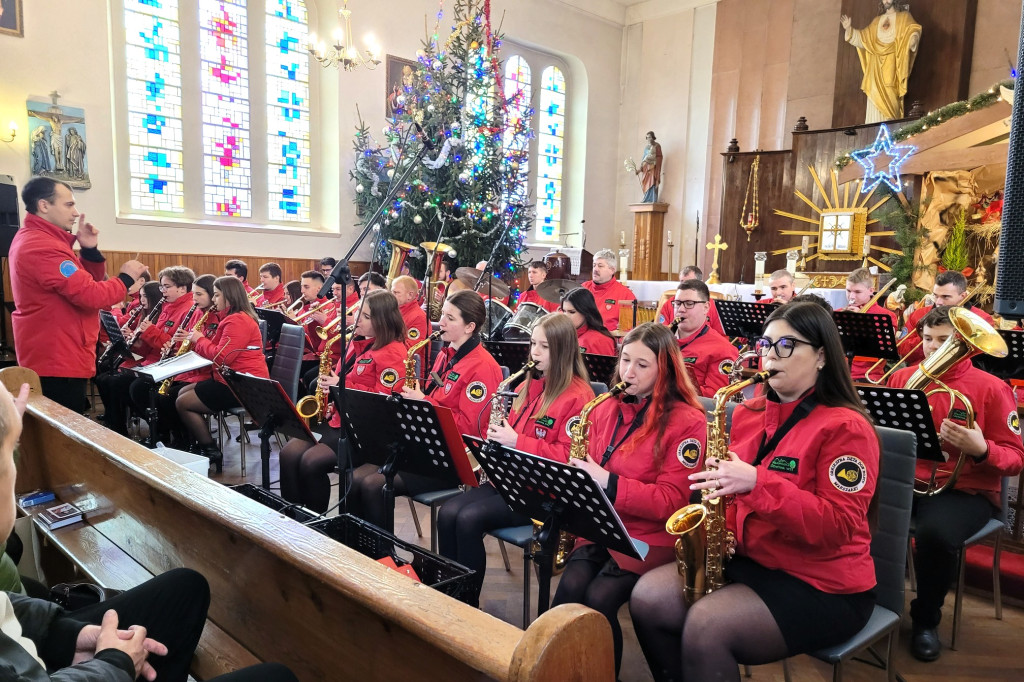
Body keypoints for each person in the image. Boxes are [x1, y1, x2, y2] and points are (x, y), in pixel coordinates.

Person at [630, 302, 879, 682]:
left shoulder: (847, 427)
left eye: (786, 345)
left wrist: (757, 483)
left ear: (823, 356)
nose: (769, 354)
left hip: (822, 583)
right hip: (753, 560)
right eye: (766, 343)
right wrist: (724, 527)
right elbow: (730, 496)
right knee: (648, 598)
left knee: (707, 626)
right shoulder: (747, 413)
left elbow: (839, 527)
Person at [0, 381, 298, 682]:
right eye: (10, 455)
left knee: (186, 587)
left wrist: (66, 636)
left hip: (26, 651)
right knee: (276, 677)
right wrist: (114, 663)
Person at [551, 322, 706, 675]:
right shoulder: (606, 407)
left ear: (664, 369)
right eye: (624, 360)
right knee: (570, 589)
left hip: (652, 538)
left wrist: (608, 481)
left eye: (641, 365)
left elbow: (672, 502)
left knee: (599, 599)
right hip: (604, 526)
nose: (628, 372)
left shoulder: (688, 422)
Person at [887, 307, 1024, 662]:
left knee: (935, 536)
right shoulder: (902, 378)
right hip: (907, 480)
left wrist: (981, 449)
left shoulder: (992, 389)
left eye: (945, 340)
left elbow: (1015, 457)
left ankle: (925, 620)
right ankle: (871, 603)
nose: (933, 348)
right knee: (856, 513)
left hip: (966, 489)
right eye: (928, 339)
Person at [436, 314, 595, 606]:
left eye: (544, 347)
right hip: (510, 481)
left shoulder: (578, 397)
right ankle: (449, 594)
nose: (534, 352)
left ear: (563, 350)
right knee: (447, 514)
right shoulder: (526, 386)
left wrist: (516, 441)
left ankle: (466, 605)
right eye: (533, 344)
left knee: (468, 519)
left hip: (543, 492)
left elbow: (570, 457)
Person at [343, 291, 503, 529]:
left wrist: (426, 404)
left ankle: (381, 555)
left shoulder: (483, 366)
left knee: (373, 485)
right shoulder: (447, 353)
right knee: (354, 479)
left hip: (451, 457)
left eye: (450, 318)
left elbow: (470, 428)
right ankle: (355, 548)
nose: (441, 323)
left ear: (470, 326)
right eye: (442, 315)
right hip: (426, 444)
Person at [9, 177, 148, 411]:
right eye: (69, 205)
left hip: (61, 350)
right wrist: (126, 278)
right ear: (44, 205)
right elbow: (91, 295)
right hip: (56, 355)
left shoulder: (45, 240)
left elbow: (83, 281)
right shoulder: (42, 245)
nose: (75, 213)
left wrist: (90, 250)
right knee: (62, 432)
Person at [278, 290, 408, 512]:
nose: (358, 320)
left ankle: (316, 522)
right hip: (342, 420)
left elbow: (384, 401)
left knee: (311, 462)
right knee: (288, 454)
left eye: (366, 317)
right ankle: (293, 515)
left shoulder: (393, 352)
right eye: (359, 313)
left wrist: (341, 387)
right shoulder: (356, 343)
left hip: (367, 432)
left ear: (383, 321)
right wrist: (332, 398)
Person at [175, 276, 268, 471]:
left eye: (217, 295)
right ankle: (199, 445)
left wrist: (198, 339)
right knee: (181, 394)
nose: (214, 300)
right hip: (228, 378)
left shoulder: (237, 321)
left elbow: (222, 358)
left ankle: (210, 449)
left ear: (229, 297)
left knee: (182, 403)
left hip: (242, 385)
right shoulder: (233, 318)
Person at [130, 275, 219, 449]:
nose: (194, 299)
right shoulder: (194, 312)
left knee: (165, 397)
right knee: (139, 387)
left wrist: (191, 342)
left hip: (204, 372)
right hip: (186, 367)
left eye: (199, 294)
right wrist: (172, 349)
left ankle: (182, 439)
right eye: (194, 294)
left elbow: (215, 352)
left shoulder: (209, 315)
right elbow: (178, 342)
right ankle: (165, 433)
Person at [95, 281, 164, 435]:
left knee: (115, 381)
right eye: (140, 296)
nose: (142, 300)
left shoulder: (158, 316)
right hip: (142, 358)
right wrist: (130, 339)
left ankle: (121, 425)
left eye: (145, 296)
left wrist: (137, 340)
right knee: (103, 377)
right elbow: (142, 347)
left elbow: (152, 349)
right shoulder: (145, 314)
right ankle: (114, 419)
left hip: (153, 362)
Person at [841, 0, 922, 123]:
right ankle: (873, 129)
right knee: (873, 97)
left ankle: (889, 130)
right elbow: (863, 39)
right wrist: (849, 29)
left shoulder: (904, 17)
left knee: (891, 96)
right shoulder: (876, 21)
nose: (886, 1)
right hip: (875, 67)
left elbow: (913, 29)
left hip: (892, 63)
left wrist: (913, 39)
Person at [897, 271, 994, 368]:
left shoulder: (982, 319)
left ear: (963, 296)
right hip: (917, 372)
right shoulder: (919, 314)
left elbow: (981, 358)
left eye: (945, 297)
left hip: (960, 375)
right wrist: (925, 336)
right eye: (935, 295)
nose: (938, 302)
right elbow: (903, 351)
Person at [671, 280, 738, 398]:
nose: (680, 309)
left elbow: (715, 398)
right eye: (677, 303)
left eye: (689, 303)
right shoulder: (660, 338)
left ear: (706, 307)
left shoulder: (722, 349)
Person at [838, 268, 897, 382]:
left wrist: (860, 322)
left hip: (868, 376)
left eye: (857, 292)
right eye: (848, 291)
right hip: (839, 374)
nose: (851, 297)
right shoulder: (838, 313)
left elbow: (887, 348)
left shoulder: (886, 316)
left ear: (871, 290)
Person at [657, 265, 725, 336]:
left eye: (689, 304)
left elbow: (721, 336)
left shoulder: (714, 306)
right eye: (682, 282)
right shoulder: (669, 303)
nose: (685, 287)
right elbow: (661, 333)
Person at [581, 249, 636, 332]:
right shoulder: (583, 288)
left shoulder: (625, 295)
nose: (595, 269)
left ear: (612, 270)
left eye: (600, 266)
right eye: (594, 265)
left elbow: (629, 330)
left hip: (608, 340)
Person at [560, 287, 616, 356]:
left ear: (585, 312)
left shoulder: (600, 340)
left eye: (572, 312)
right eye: (564, 311)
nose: (566, 316)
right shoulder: (565, 335)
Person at [391, 275, 430, 369]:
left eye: (396, 293)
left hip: (410, 370)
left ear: (410, 295)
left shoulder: (419, 317)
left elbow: (410, 349)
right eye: (392, 292)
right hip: (394, 361)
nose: (392, 296)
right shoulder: (394, 311)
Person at [636, 131, 663, 203]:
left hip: (653, 167)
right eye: (647, 137)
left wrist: (655, 163)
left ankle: (653, 199)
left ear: (653, 137)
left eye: (650, 137)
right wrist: (640, 168)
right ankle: (646, 198)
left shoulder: (657, 146)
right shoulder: (647, 147)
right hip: (646, 168)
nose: (649, 139)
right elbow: (644, 157)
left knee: (653, 182)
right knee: (646, 182)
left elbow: (659, 156)